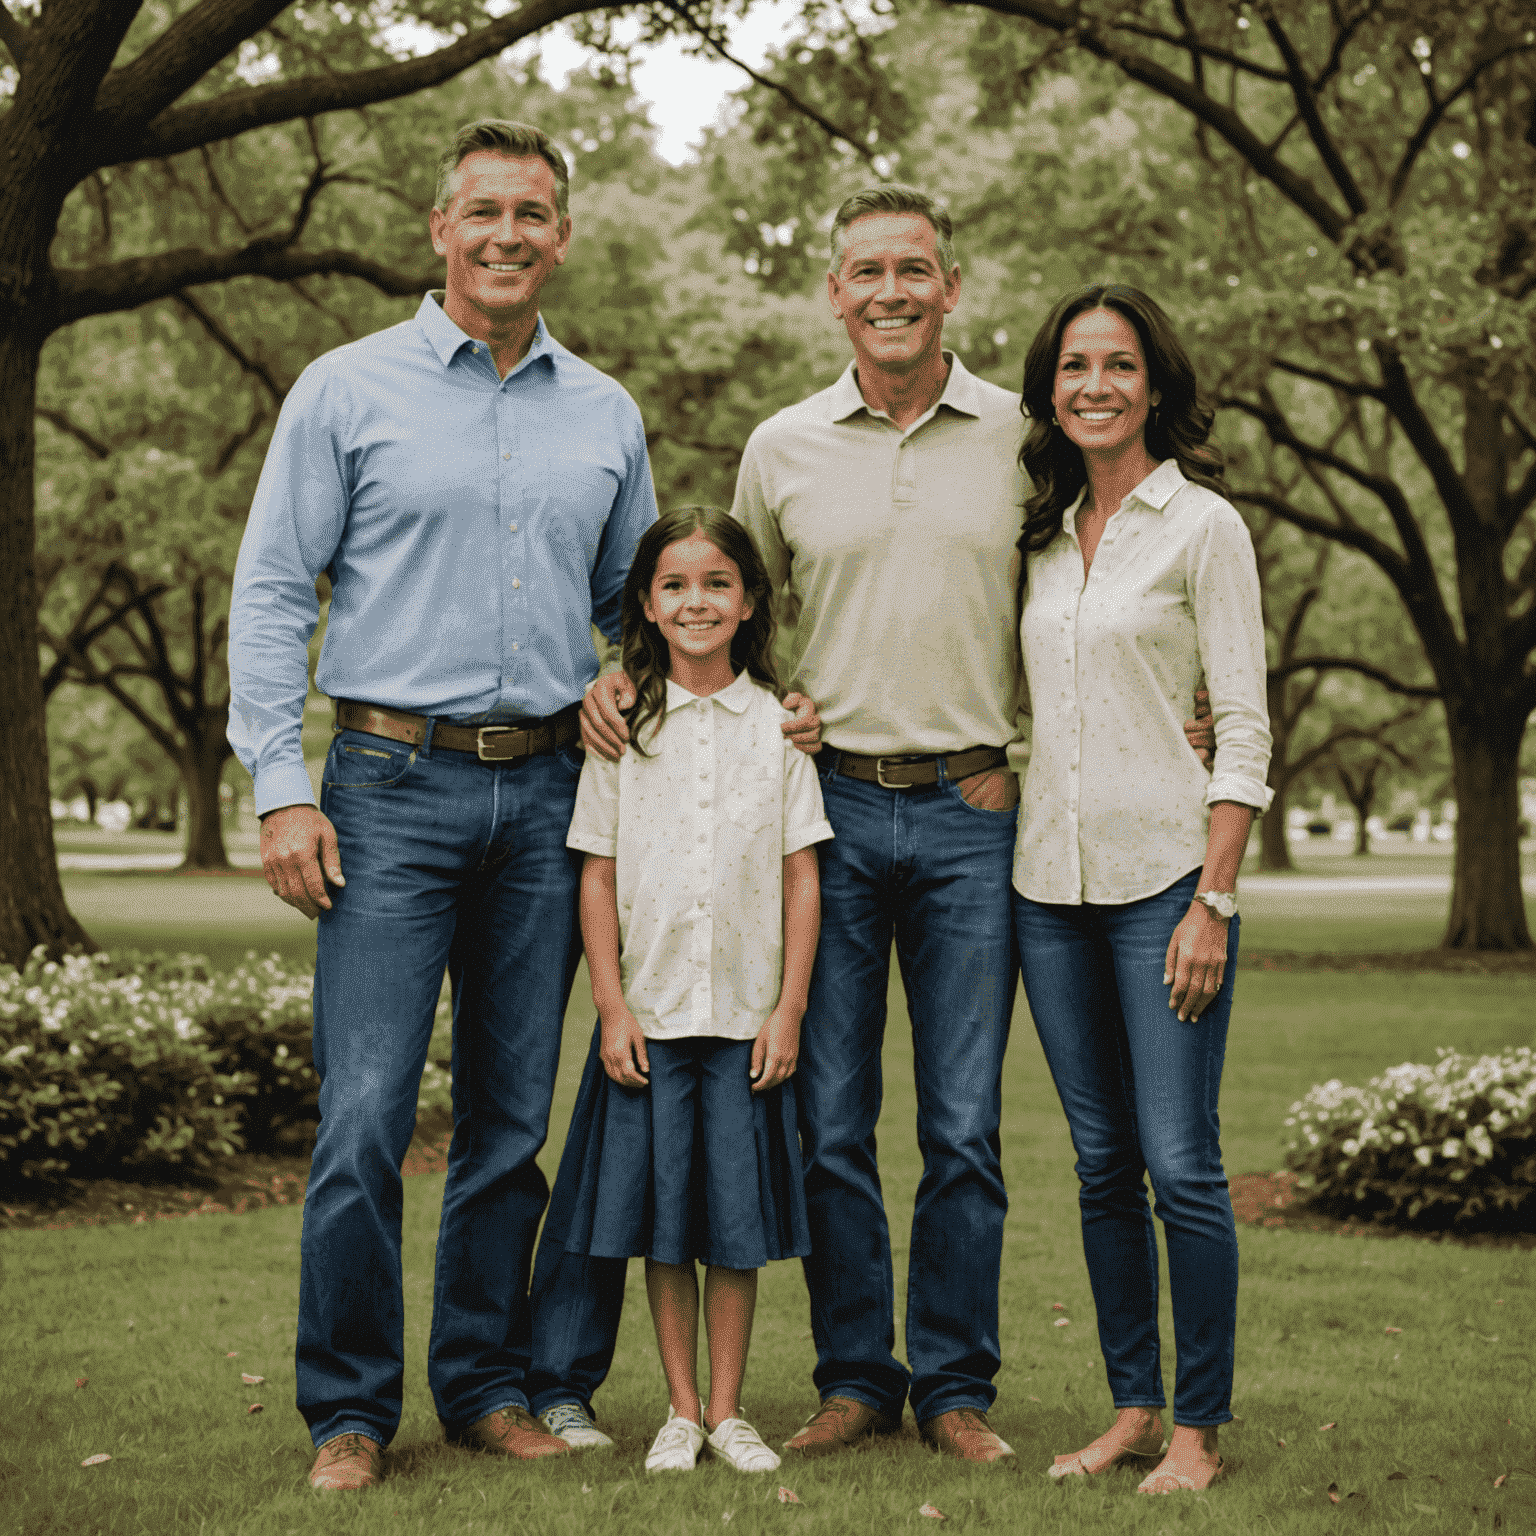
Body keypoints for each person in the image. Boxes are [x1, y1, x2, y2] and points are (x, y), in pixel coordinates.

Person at [226, 119, 663, 1492]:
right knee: (361, 1113)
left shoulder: (605, 413)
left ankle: (483, 1384)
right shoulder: (344, 392)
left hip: (547, 793)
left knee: (505, 1126)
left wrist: (655, 675)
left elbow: (636, 604)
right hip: (386, 787)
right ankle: (348, 1413)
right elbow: (274, 590)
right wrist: (282, 787)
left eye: (532, 213)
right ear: (439, 228)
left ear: (562, 236)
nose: (507, 235)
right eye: (484, 211)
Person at [583, 186, 1027, 1463]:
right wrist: (621, 675)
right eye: (865, 271)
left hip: (966, 816)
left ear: (952, 284)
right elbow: (719, 608)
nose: (889, 290)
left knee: (962, 1127)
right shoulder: (780, 446)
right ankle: (855, 1377)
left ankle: (952, 1388)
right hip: (823, 818)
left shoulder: (1021, 433)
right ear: (834, 292)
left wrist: (1029, 749)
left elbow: (1069, 597)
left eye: (914, 269)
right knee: (830, 1122)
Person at [1008, 285, 1272, 1495]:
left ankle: (1199, 1431)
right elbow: (1035, 710)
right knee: (1102, 1162)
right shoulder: (1042, 535)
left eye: (1117, 366)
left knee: (1181, 1163)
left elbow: (1247, 729)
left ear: (1154, 384)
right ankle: (1130, 1408)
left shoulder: (1204, 526)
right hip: (1045, 892)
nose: (1094, 387)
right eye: (1073, 368)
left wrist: (1212, 900)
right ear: (1050, 390)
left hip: (1166, 884)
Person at [552, 505, 833, 1475]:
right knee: (664, 1225)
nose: (696, 601)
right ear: (645, 602)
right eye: (674, 584)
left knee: (735, 1229)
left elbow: (804, 874)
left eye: (717, 582)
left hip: (748, 1017)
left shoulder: (779, 726)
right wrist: (612, 1007)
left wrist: (789, 1007)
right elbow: (595, 870)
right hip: (657, 1017)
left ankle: (728, 1410)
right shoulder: (624, 730)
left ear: (749, 600)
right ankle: (678, 1408)